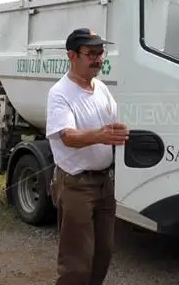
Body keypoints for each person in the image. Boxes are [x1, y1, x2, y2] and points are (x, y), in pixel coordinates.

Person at [45, 27, 129, 285]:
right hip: (77, 186)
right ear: (72, 55)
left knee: (103, 254)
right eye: (91, 53)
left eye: (101, 53)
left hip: (105, 184)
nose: (99, 59)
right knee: (77, 264)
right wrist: (102, 136)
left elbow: (114, 126)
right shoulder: (60, 93)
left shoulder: (101, 88)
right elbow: (68, 137)